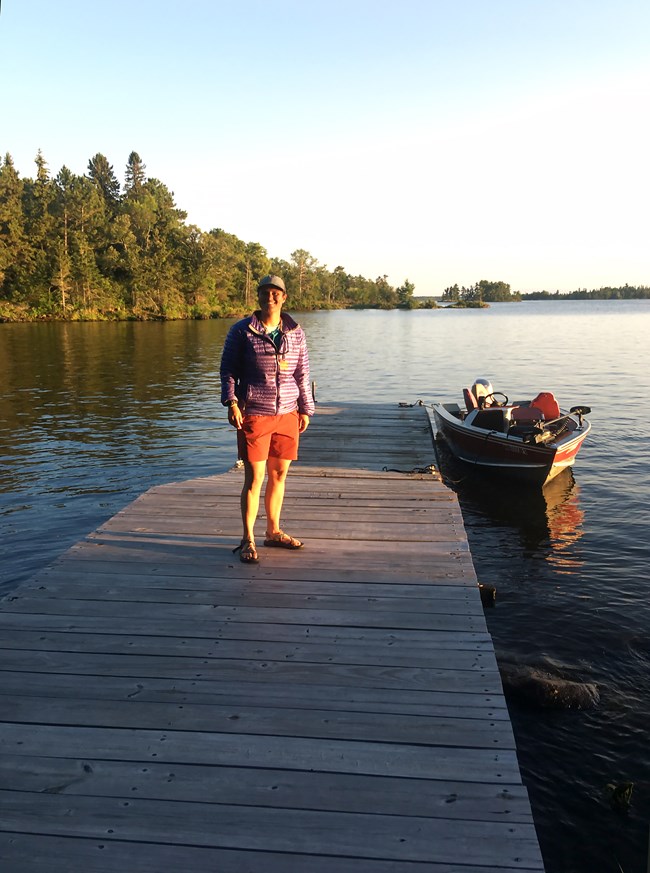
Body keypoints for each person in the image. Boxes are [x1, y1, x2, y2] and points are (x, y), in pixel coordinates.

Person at [220, 274, 315, 564]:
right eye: (265, 292)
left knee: (279, 475)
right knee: (254, 479)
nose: (270, 297)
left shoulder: (295, 332)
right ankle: (247, 537)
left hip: (287, 413)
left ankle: (273, 531)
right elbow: (228, 371)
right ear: (258, 297)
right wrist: (232, 402)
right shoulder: (241, 331)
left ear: (284, 297)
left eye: (276, 293)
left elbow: (302, 372)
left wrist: (305, 408)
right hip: (255, 414)